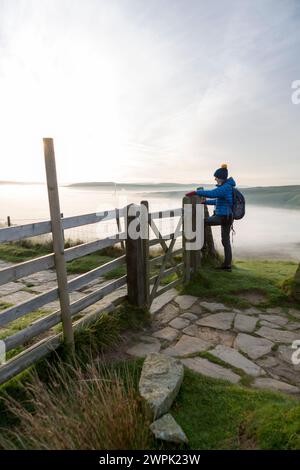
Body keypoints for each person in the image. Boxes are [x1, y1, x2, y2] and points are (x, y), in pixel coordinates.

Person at [186, 164, 235, 272]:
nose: (215, 179)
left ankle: (201, 245)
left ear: (221, 177)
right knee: (225, 241)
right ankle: (227, 266)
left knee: (202, 222)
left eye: (216, 177)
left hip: (223, 217)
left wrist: (196, 192)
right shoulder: (227, 187)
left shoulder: (225, 187)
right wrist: (205, 202)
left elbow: (212, 193)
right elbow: (218, 201)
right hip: (227, 217)